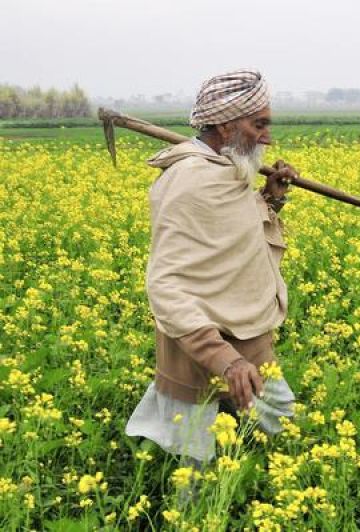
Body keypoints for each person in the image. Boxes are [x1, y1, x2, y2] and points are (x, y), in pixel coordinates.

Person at [125, 69, 297, 466]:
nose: (268, 137)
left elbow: (233, 238)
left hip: (248, 336)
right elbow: (165, 284)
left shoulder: (227, 169)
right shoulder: (190, 182)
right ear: (225, 125)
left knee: (285, 427)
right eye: (259, 124)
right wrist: (226, 360)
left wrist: (271, 200)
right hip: (199, 346)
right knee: (195, 463)